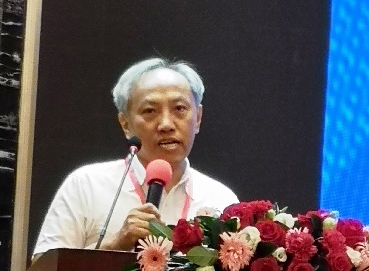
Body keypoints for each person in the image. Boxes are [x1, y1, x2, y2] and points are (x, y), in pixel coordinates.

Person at [33, 58, 238, 257]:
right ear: (125, 124)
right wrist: (115, 245)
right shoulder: (86, 185)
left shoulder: (220, 199)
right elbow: (43, 270)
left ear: (198, 118)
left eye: (179, 109)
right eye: (150, 111)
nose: (166, 124)